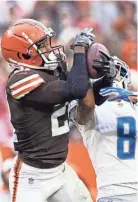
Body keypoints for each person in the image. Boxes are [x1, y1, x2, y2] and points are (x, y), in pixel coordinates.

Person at [1, 18, 95, 202]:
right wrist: (79, 52)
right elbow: (75, 89)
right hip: (32, 177)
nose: (49, 49)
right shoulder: (20, 80)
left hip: (60, 169)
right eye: (41, 46)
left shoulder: (51, 70)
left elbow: (82, 85)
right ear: (23, 55)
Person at [70, 55, 138, 202]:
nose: (116, 78)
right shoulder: (90, 109)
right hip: (114, 192)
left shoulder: (133, 104)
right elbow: (84, 111)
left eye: (118, 73)